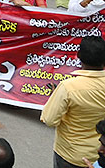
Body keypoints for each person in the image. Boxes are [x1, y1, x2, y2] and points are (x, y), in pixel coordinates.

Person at [41, 36, 105, 168]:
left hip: (70, 156)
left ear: (78, 55)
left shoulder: (67, 87)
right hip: (98, 155)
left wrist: (57, 100)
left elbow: (49, 119)